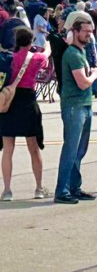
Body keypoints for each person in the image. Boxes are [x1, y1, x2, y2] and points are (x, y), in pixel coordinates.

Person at [0, 28, 50, 201]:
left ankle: (7, 190)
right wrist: (46, 46)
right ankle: (38, 188)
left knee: (8, 149)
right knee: (34, 148)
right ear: (31, 41)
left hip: (10, 101)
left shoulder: (8, 58)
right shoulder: (36, 58)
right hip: (28, 102)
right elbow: (46, 58)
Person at [55, 17, 97, 204]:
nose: (89, 35)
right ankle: (62, 191)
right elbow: (82, 83)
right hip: (74, 106)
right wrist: (95, 75)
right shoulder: (72, 54)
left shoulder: (82, 51)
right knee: (71, 149)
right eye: (85, 31)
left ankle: (74, 187)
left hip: (84, 105)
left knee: (80, 150)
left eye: (90, 32)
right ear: (75, 32)